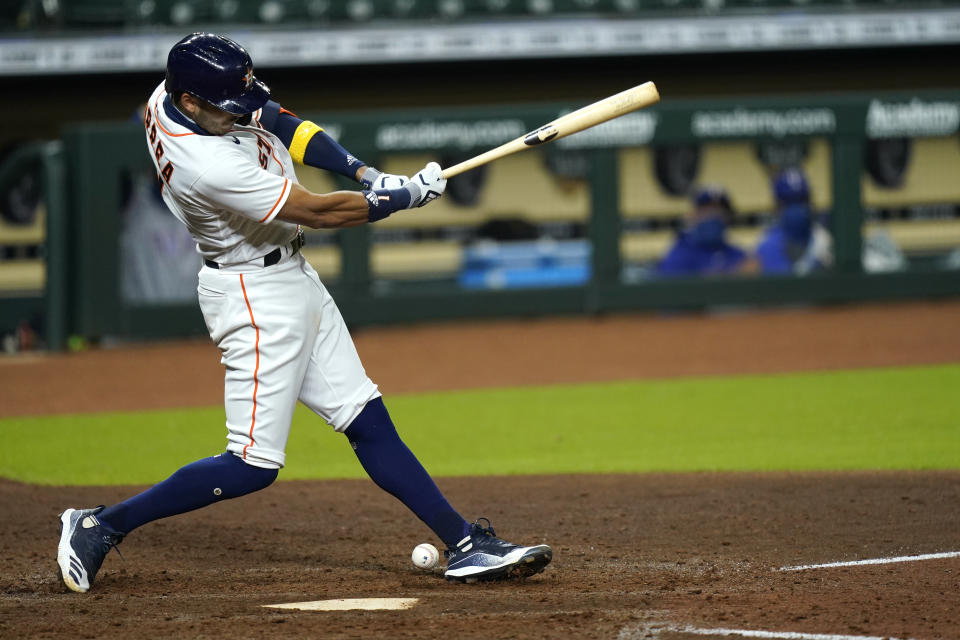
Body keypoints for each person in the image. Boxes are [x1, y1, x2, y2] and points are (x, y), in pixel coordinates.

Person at [56, 33, 552, 593]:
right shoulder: (204, 164)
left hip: (290, 275)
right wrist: (401, 198)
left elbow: (277, 119)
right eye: (226, 107)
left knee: (364, 417)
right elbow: (316, 212)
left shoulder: (174, 92)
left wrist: (364, 174)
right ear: (189, 103)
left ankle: (465, 544)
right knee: (251, 465)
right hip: (253, 294)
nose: (239, 113)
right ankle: (99, 525)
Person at [755, 167, 833, 275]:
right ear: (777, 205)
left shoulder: (825, 239)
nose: (796, 208)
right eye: (788, 202)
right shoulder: (766, 244)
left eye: (802, 200)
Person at [655, 185, 747, 277]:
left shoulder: (736, 253)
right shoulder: (680, 253)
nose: (714, 217)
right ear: (693, 215)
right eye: (708, 212)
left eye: (720, 213)